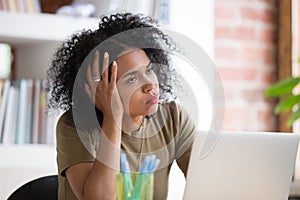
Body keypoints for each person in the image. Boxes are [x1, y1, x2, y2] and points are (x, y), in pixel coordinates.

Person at [46, 12, 196, 200]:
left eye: (149, 70)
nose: (150, 85)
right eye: (132, 79)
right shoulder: (74, 126)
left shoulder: (174, 118)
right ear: (99, 88)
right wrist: (113, 118)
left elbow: (210, 182)